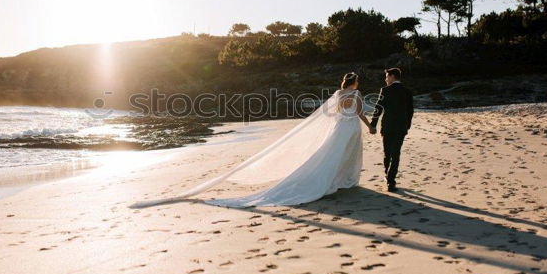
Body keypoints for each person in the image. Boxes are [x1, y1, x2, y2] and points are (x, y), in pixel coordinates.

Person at [131, 72, 375, 208]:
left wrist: (341, 119)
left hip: (339, 127)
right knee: (346, 153)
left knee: (330, 153)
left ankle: (336, 179)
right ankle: (344, 180)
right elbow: (360, 112)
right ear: (355, 83)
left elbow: (330, 114)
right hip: (351, 127)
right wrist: (369, 126)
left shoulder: (338, 94)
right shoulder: (356, 94)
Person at [369, 67, 414, 193]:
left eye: (387, 76)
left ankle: (388, 176)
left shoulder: (385, 90)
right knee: (396, 154)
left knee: (387, 153)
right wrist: (407, 125)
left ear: (392, 77)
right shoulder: (407, 91)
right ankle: (391, 180)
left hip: (388, 126)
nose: (385, 79)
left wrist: (373, 125)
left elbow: (378, 108)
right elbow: (410, 111)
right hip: (401, 127)